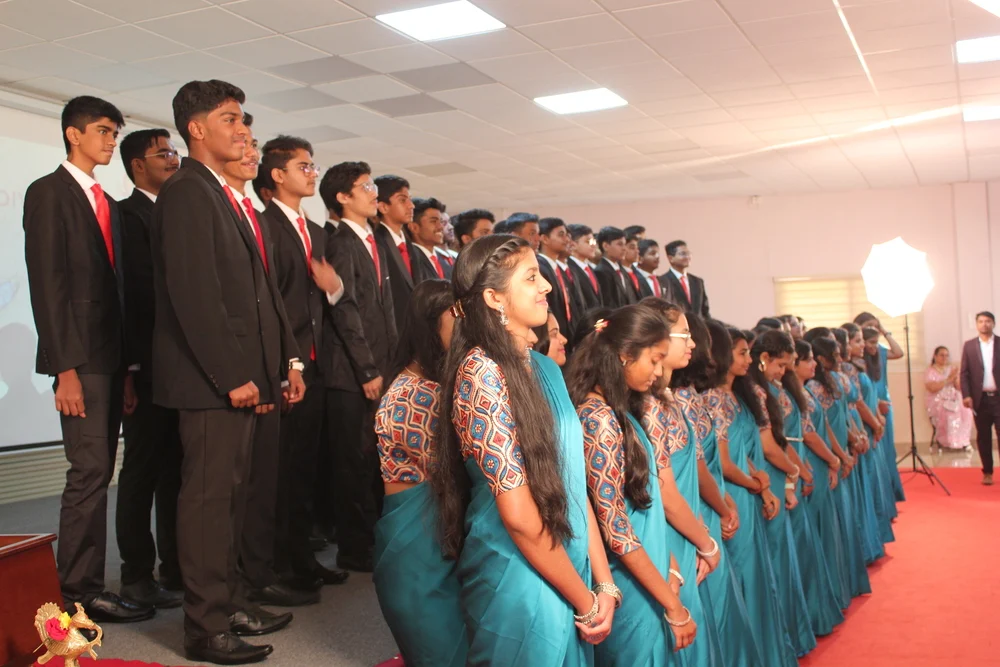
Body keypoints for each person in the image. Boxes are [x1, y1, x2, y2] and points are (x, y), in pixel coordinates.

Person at [153, 80, 305, 663]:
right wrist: (231, 374)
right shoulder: (188, 192)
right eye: (230, 119)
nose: (243, 130)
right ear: (196, 129)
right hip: (209, 384)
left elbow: (258, 297)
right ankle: (203, 628)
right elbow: (195, 295)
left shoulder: (219, 193)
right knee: (208, 505)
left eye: (244, 120)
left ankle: (231, 603)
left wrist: (278, 366)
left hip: (241, 379)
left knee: (233, 503)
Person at [432, 234, 615, 665]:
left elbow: (574, 482)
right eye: (531, 277)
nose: (546, 286)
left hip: (570, 562)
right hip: (519, 572)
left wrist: (603, 582)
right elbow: (517, 517)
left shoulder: (546, 366)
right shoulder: (481, 372)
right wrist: (585, 600)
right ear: (494, 297)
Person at [23, 96, 154, 623]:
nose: (110, 140)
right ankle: (76, 592)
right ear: (73, 134)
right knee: (89, 471)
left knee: (100, 472)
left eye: (114, 133)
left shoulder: (109, 203)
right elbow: (47, 285)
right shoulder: (48, 192)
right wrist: (65, 370)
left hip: (112, 359)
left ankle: (87, 585)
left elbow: (118, 291)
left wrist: (128, 371)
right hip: (79, 360)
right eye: (102, 130)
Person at [564, 304, 696, 664]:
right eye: (654, 360)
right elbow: (616, 528)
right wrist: (673, 605)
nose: (659, 371)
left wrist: (668, 564)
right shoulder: (597, 418)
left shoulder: (616, 409)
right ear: (625, 354)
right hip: (632, 583)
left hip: (649, 570)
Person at [256, 135, 350, 591]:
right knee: (280, 472)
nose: (312, 173)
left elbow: (328, 294)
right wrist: (284, 364)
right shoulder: (264, 224)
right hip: (283, 364)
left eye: (313, 166)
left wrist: (335, 288)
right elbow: (268, 301)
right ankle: (278, 564)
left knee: (307, 469)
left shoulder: (315, 231)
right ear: (277, 175)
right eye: (303, 167)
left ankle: (301, 557)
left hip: (315, 364)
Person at [373, 280, 466, 667]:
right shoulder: (411, 395)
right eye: (456, 319)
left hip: (440, 543)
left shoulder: (435, 384)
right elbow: (455, 475)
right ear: (430, 324)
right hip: (419, 554)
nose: (465, 330)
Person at [319, 161, 397, 571]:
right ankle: (354, 547)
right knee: (353, 461)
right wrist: (367, 370)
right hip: (351, 373)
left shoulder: (372, 240)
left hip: (380, 365)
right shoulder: (341, 242)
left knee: (374, 459)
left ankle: (372, 538)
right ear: (343, 197)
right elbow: (345, 310)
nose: (373, 193)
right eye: (365, 187)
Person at [116, 128, 183, 609]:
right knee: (142, 470)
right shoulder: (126, 214)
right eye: (163, 153)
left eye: (174, 151)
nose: (173, 159)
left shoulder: (178, 212)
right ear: (138, 165)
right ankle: (135, 573)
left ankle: (176, 567)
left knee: (177, 470)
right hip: (145, 367)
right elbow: (133, 297)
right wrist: (131, 368)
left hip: (180, 367)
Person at [703, 327, 797, 667]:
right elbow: (724, 463)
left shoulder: (738, 396)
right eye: (741, 352)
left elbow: (743, 452)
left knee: (758, 576)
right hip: (733, 494)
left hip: (748, 489)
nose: (747, 359)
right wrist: (757, 484)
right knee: (743, 575)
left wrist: (763, 483)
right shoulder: (713, 398)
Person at [853, 312, 905, 502]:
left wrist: (884, 330)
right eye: (868, 326)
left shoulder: (879, 351)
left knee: (887, 449)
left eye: (875, 326)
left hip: (883, 404)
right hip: (869, 407)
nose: (872, 329)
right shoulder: (857, 360)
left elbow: (898, 352)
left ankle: (890, 493)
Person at [373, 175, 421, 333]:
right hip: (391, 330)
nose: (411, 205)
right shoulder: (376, 243)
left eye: (410, 199)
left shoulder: (410, 245)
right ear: (383, 207)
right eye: (402, 200)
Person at [960, 311, 1000, 485]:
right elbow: (964, 373)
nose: (985, 324)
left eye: (988, 321)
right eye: (981, 321)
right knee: (983, 437)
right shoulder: (969, 346)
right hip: (980, 399)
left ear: (994, 323)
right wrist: (967, 395)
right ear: (976, 324)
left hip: (998, 398)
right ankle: (987, 472)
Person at [926, 345, 974, 452]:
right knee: (950, 413)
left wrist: (956, 377)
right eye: (942, 355)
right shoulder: (930, 371)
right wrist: (948, 379)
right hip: (938, 401)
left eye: (946, 355)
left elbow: (959, 387)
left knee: (966, 411)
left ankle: (964, 441)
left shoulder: (951, 369)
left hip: (954, 398)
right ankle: (949, 442)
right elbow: (932, 388)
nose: (944, 358)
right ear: (935, 356)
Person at [538, 217, 575, 345]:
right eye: (561, 235)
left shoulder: (558, 268)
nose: (567, 239)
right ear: (544, 239)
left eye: (566, 235)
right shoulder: (540, 267)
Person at [659, 241, 710, 319]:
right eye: (683, 254)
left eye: (688, 253)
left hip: (698, 325)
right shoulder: (663, 281)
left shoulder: (697, 281)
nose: (687, 257)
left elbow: (705, 311)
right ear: (671, 258)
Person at [407, 197, 450, 281]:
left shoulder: (445, 260)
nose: (440, 227)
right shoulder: (409, 259)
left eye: (441, 221)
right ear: (414, 227)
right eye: (433, 221)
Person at [593, 226, 634, 309]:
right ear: (605, 246)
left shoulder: (622, 270)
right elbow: (608, 304)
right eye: (620, 244)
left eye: (625, 244)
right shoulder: (601, 271)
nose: (624, 249)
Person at [566, 224, 601, 311]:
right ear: (573, 245)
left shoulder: (590, 268)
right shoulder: (569, 268)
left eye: (593, 241)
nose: (593, 245)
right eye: (588, 241)